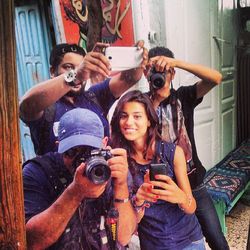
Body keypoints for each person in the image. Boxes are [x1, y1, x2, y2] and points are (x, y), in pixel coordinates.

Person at [146, 46, 229, 250]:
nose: (158, 76)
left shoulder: (184, 96)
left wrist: (177, 63)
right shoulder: (141, 104)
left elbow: (216, 78)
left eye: (163, 70)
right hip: (161, 189)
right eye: (153, 71)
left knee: (217, 240)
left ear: (172, 73)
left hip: (194, 184)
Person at [23, 108, 136, 249]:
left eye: (90, 151)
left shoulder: (112, 167)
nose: (82, 161)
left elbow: (123, 237)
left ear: (104, 144)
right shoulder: (38, 172)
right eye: (72, 152)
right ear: (60, 147)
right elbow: (31, 242)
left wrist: (121, 185)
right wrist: (74, 193)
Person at [110, 90, 205, 250]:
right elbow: (128, 226)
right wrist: (138, 202)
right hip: (153, 245)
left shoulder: (173, 153)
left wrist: (180, 197)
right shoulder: (120, 162)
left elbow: (191, 207)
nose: (129, 122)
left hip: (189, 241)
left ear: (149, 120)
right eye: (124, 115)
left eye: (137, 116)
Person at [19, 42, 147, 155]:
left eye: (81, 66)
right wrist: (75, 76)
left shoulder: (95, 97)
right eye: (68, 67)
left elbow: (130, 78)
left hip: (99, 177)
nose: (78, 71)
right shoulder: (46, 105)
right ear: (53, 71)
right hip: (60, 180)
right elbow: (26, 106)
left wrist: (137, 58)